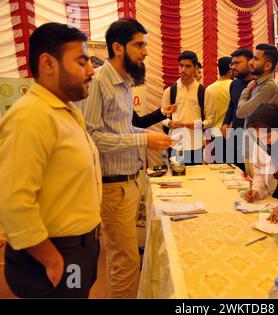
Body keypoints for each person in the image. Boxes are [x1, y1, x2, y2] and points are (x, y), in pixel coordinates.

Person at [0, 23, 101, 298]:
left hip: (75, 250)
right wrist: (50, 258)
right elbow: (13, 201)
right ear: (48, 63)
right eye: (82, 62)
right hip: (53, 255)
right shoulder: (31, 116)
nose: (91, 71)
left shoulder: (64, 111)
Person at [79, 18, 172, 298]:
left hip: (130, 181)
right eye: (138, 45)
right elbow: (93, 138)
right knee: (126, 261)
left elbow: (122, 128)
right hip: (112, 186)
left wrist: (150, 135)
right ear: (117, 48)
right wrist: (145, 138)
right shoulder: (98, 83)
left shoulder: (124, 83)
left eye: (145, 45)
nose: (145, 52)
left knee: (125, 257)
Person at [161, 51, 214, 165]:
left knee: (196, 180)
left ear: (195, 67)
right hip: (175, 143)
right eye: (181, 65)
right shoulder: (169, 91)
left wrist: (198, 125)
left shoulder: (204, 91)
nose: (183, 69)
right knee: (176, 179)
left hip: (196, 144)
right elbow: (162, 117)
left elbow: (210, 119)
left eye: (188, 66)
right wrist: (169, 123)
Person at [221, 48, 256, 171]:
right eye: (232, 63)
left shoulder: (259, 85)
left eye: (238, 63)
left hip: (253, 140)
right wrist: (225, 123)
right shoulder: (234, 84)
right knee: (234, 173)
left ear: (250, 62)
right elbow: (232, 105)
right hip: (235, 137)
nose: (233, 67)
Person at [236, 43, 278, 123]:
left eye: (256, 59)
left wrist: (246, 91)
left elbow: (241, 112)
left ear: (267, 66)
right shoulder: (258, 84)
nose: (250, 62)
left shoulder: (269, 87)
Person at [204, 56, 233, 163]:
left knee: (217, 171)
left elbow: (208, 116)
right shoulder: (234, 86)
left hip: (215, 135)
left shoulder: (209, 89)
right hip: (233, 133)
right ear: (230, 71)